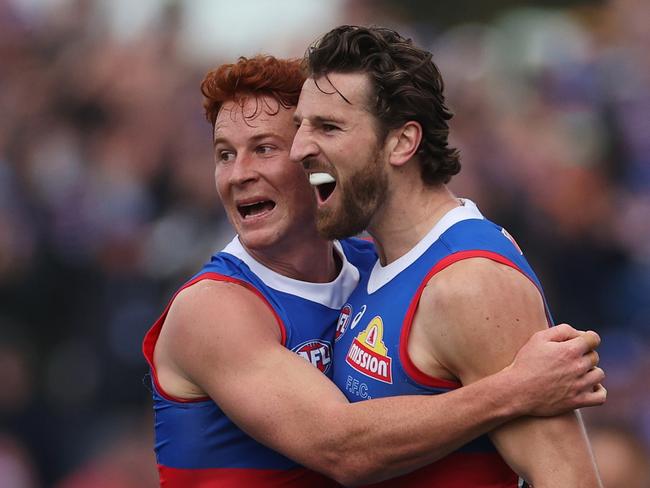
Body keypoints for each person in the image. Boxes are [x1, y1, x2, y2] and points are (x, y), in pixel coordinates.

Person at [143, 55, 605, 488]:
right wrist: (517, 387)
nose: (237, 174)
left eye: (264, 149)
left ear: (314, 156)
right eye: (224, 154)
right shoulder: (212, 309)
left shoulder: (381, 266)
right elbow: (343, 449)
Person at [291, 25, 605, 487]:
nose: (299, 148)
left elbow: (568, 479)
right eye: (301, 124)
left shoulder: (471, 283)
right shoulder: (376, 262)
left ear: (402, 142)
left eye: (329, 127)